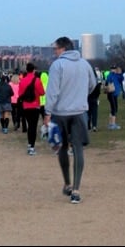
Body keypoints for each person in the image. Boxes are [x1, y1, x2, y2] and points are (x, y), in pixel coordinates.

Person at [43, 36, 96, 204]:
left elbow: (52, 91)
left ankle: (67, 183)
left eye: (55, 49)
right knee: (78, 148)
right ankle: (77, 189)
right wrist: (80, 96)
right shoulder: (84, 64)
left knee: (62, 147)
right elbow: (92, 84)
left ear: (63, 48)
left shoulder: (58, 65)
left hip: (60, 112)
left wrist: (47, 112)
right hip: (80, 111)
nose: (54, 52)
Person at [18, 62, 46, 155]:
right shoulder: (37, 80)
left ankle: (30, 145)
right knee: (33, 126)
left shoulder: (22, 80)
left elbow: (20, 94)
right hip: (35, 105)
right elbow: (42, 92)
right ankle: (31, 146)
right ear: (34, 70)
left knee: (29, 125)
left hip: (26, 106)